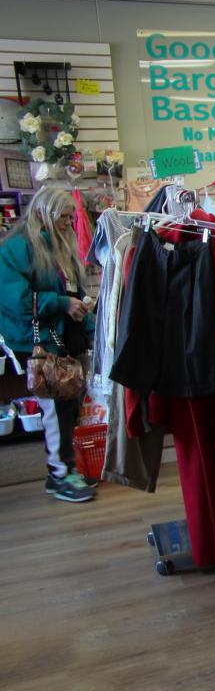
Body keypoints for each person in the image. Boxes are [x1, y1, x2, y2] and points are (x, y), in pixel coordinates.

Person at [0, 185, 96, 503]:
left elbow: (74, 292)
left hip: (62, 336)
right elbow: (17, 300)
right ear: (45, 214)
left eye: (71, 218)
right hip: (36, 340)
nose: (70, 224)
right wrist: (62, 303)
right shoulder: (15, 249)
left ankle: (64, 469)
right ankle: (59, 473)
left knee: (67, 405)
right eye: (64, 218)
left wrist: (86, 318)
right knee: (55, 406)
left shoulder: (59, 248)